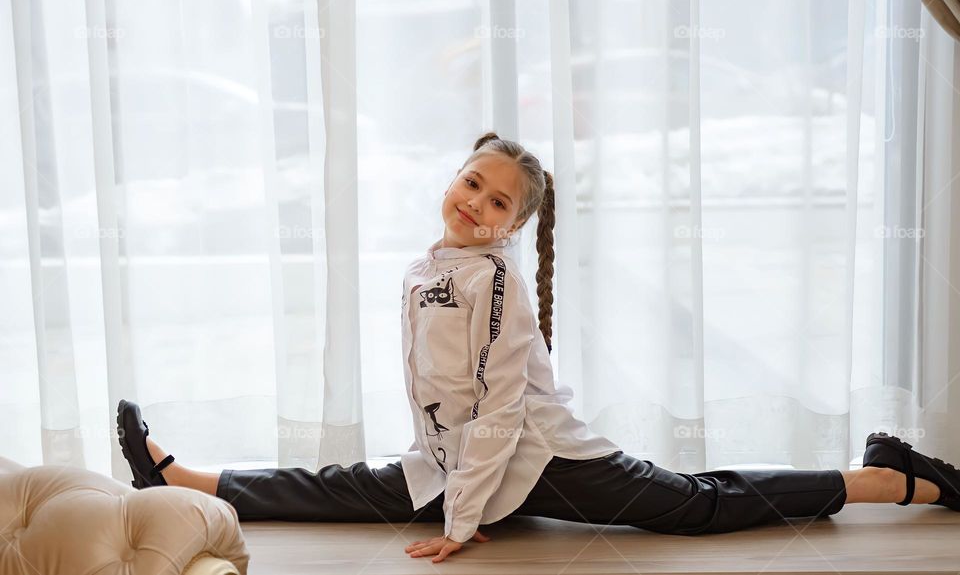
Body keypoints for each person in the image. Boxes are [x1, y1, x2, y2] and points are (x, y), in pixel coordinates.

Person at [117, 132, 960, 564]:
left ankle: (885, 478)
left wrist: (460, 518)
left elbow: (498, 411)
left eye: (498, 203)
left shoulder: (495, 282)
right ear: (452, 179)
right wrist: (447, 487)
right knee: (350, 485)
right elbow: (435, 400)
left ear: (516, 226)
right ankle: (185, 476)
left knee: (697, 505)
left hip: (542, 458)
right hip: (459, 464)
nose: (476, 203)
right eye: (472, 182)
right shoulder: (427, 269)